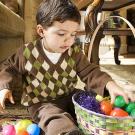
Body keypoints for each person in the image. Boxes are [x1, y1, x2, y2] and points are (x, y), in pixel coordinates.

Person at [0, 0, 135, 135]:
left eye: (73, 34)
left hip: (69, 95)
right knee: (54, 117)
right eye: (61, 34)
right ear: (41, 31)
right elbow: (9, 66)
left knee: (91, 100)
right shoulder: (27, 52)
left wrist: (110, 84)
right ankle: (67, 132)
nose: (69, 40)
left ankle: (107, 122)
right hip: (41, 102)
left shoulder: (74, 52)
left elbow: (90, 71)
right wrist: (4, 86)